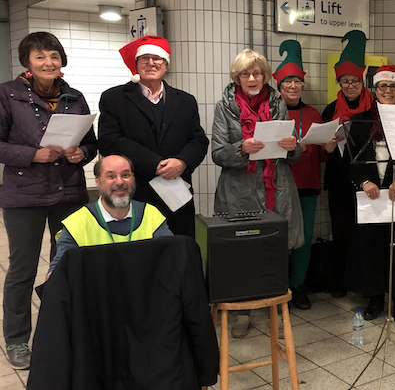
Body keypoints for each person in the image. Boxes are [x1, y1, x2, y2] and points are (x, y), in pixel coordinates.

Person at [0, 32, 98, 370]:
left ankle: (66, 329)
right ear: (27, 61)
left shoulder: (75, 96)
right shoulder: (7, 94)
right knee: (23, 269)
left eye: (54, 56)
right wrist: (33, 155)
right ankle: (16, 339)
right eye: (40, 56)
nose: (48, 63)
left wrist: (80, 153)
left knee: (70, 263)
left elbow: (92, 143)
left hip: (68, 192)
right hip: (24, 195)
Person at [211, 48, 303, 338]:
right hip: (239, 188)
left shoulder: (277, 103)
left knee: (275, 245)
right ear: (237, 77)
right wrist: (241, 149)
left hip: (276, 184)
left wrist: (293, 147)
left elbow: (293, 152)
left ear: (265, 75)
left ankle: (273, 302)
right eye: (245, 74)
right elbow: (217, 152)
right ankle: (242, 312)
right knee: (241, 249)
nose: (252, 78)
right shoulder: (224, 106)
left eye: (257, 73)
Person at [98, 36, 209, 237]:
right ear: (136, 63)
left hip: (177, 192)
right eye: (145, 58)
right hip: (134, 191)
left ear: (166, 64)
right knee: (138, 253)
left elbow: (198, 140)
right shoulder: (114, 98)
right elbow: (109, 141)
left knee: (179, 250)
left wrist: (183, 162)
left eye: (157, 58)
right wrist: (154, 163)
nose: (151, 63)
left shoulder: (185, 101)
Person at [345, 65, 395, 324]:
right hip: (372, 196)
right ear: (374, 90)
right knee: (372, 246)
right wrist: (364, 181)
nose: (387, 91)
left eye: (392, 86)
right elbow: (350, 161)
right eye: (382, 86)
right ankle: (375, 296)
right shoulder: (360, 121)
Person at [272, 40, 337, 310]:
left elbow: (321, 156)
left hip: (308, 186)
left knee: (303, 240)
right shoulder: (270, 113)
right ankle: (276, 286)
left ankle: (298, 285)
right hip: (276, 187)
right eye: (287, 82)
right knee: (277, 239)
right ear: (279, 86)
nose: (293, 86)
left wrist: (329, 149)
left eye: (297, 81)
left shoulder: (312, 114)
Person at [47, 155, 173, 276]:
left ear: (133, 178)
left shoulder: (151, 215)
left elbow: (172, 258)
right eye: (111, 176)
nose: (119, 182)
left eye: (125, 175)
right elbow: (58, 272)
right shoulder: (77, 222)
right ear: (97, 181)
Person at [320, 30, 372, 298]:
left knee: (365, 234)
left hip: (368, 181)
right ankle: (339, 282)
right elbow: (322, 150)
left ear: (362, 81)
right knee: (341, 232)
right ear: (339, 83)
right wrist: (327, 149)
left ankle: (364, 284)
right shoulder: (330, 110)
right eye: (344, 81)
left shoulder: (375, 108)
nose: (350, 86)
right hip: (340, 181)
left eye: (354, 81)